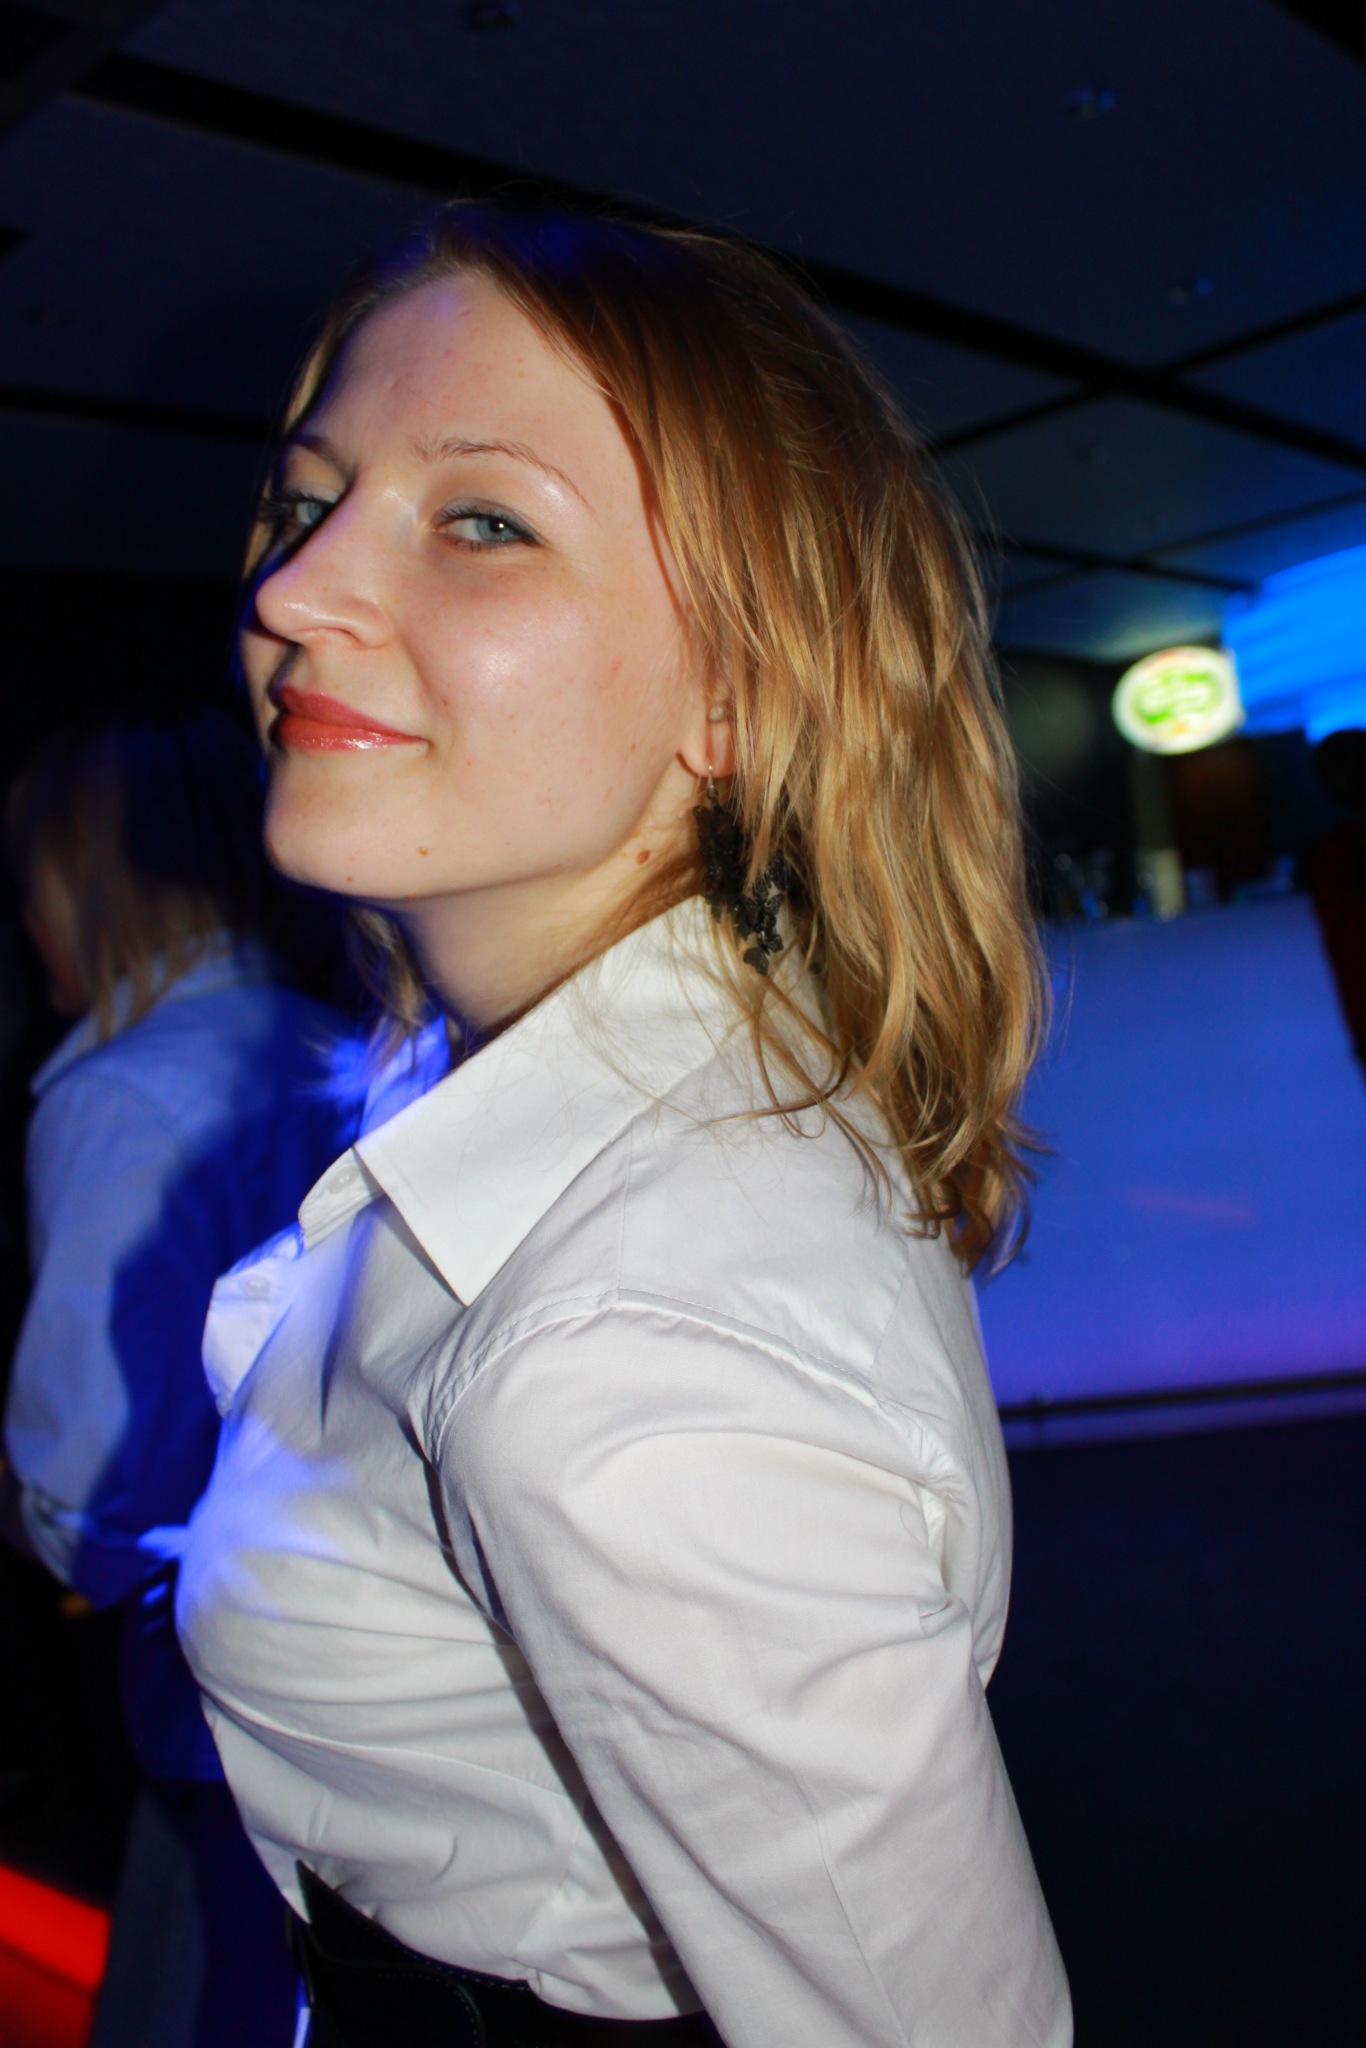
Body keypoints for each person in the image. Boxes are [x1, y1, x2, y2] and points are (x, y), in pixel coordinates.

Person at [175, 205, 1073, 2047]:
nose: (294, 590)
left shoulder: (622, 1362)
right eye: (303, 501)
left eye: (481, 522)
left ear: (741, 688)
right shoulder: (536, 1071)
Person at [1, 706, 356, 2048]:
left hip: (216, 1689)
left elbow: (88, 1506)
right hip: (357, 1681)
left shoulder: (110, 1097)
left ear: (84, 887)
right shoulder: (345, 1042)